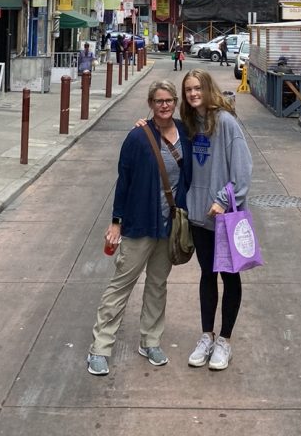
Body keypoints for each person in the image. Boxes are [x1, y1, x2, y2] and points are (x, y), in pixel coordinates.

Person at [87, 80, 192, 377]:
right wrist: (116, 221)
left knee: (158, 284)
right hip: (138, 223)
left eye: (169, 100)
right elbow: (124, 181)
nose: (164, 105)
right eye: (159, 101)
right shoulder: (136, 137)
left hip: (169, 225)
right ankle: (100, 347)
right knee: (121, 284)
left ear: (175, 102)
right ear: (150, 103)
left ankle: (151, 340)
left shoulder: (186, 132)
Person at [180, 69, 253, 372]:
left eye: (197, 88)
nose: (193, 94)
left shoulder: (226, 123)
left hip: (224, 217)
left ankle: (225, 340)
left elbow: (243, 171)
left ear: (208, 89)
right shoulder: (188, 124)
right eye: (188, 90)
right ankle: (206, 335)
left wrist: (222, 201)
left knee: (229, 276)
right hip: (198, 217)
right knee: (207, 275)